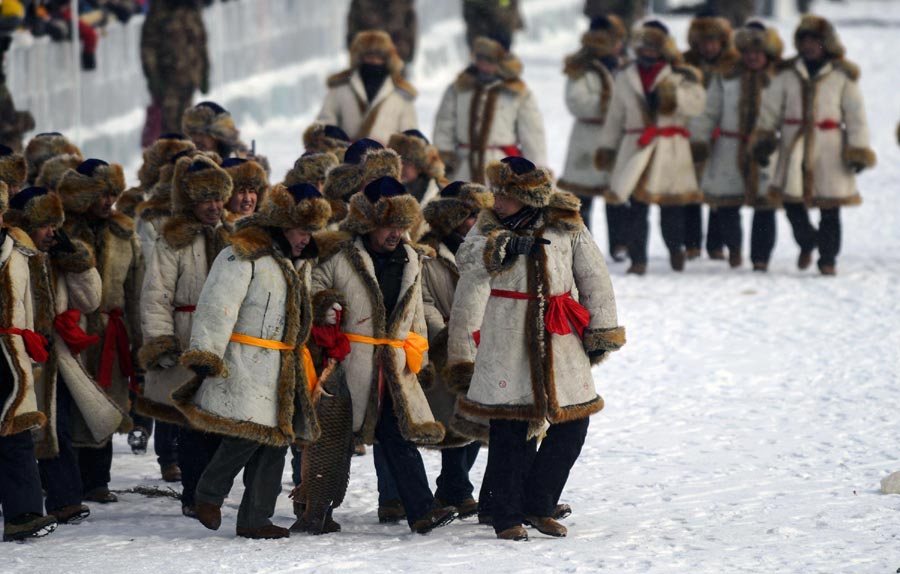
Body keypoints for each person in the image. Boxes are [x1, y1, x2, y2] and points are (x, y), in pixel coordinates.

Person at [445, 157, 625, 541]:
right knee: (510, 429)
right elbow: (466, 259)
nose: (495, 198)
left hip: (561, 336)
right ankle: (506, 516)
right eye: (495, 191)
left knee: (573, 424)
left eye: (503, 193)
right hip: (506, 336)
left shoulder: (565, 222)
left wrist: (600, 331)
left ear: (525, 195)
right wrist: (504, 247)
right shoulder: (490, 224)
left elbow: (593, 276)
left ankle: (539, 503)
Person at [174, 183, 327, 540]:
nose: (306, 239)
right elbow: (217, 303)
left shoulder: (294, 261)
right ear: (282, 223)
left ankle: (255, 518)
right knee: (246, 433)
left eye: (310, 232)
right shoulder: (242, 255)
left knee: (276, 440)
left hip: (282, 364)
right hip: (244, 360)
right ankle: (207, 495)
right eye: (302, 230)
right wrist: (205, 351)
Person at [310, 176, 457, 534]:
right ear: (368, 223)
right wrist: (325, 304)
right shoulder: (340, 253)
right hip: (349, 363)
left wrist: (417, 359)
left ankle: (421, 511)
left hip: (393, 366)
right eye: (389, 225)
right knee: (333, 438)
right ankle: (314, 510)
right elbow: (313, 285)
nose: (396, 233)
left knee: (398, 434)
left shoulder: (410, 257)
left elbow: (415, 317)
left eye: (402, 225)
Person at [5, 186, 123, 526]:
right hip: (19, 354)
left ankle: (66, 499)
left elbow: (90, 301)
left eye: (55, 224)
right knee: (23, 431)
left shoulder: (61, 255)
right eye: (44, 225)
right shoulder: (13, 253)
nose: (51, 233)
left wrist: (77, 262)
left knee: (59, 429)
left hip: (55, 356)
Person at [138, 155, 233, 513]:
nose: (214, 206)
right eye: (206, 199)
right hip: (187, 335)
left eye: (218, 198)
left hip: (225, 339)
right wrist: (162, 340)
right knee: (193, 422)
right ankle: (195, 495)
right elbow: (156, 293)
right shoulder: (173, 240)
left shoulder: (233, 235)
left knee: (221, 419)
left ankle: (213, 491)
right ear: (191, 201)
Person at [752, 15, 875, 276]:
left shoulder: (842, 76)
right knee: (792, 203)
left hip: (829, 148)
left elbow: (855, 116)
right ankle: (808, 241)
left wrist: (858, 150)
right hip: (793, 146)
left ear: (826, 44)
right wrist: (763, 139)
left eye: (814, 41)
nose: (808, 46)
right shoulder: (786, 74)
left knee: (830, 208)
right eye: (804, 40)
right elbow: (770, 110)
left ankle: (828, 259)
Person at [58, 159, 144, 504]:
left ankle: (98, 480)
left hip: (112, 328)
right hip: (72, 329)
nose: (108, 200)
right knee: (75, 402)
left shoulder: (125, 232)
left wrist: (140, 341)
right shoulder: (63, 231)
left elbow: (136, 289)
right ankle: (70, 480)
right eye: (100, 194)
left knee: (108, 401)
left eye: (112, 193)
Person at [595, 20, 706, 275]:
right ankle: (638, 259)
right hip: (636, 146)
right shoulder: (625, 76)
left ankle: (675, 248)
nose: (647, 52)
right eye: (643, 47)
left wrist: (672, 97)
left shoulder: (681, 75)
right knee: (636, 206)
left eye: (653, 48)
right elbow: (615, 116)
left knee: (672, 208)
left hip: (670, 148)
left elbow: (698, 105)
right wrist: (607, 148)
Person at [419, 181, 494, 518]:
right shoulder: (427, 254)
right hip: (443, 348)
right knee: (452, 421)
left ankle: (455, 488)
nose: (475, 221)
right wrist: (447, 331)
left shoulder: (488, 249)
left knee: (479, 419)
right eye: (469, 215)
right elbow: (422, 299)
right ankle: (455, 488)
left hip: (484, 342)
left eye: (479, 214)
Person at [690, 21, 784, 271]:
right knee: (727, 203)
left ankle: (761, 258)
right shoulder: (726, 77)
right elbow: (709, 112)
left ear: (767, 53)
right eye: (749, 51)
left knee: (765, 207)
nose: (753, 57)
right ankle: (734, 249)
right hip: (729, 147)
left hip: (767, 149)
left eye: (758, 51)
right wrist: (699, 139)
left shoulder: (779, 79)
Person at [0, 182, 58, 542]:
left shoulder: (18, 251)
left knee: (16, 432)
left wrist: (31, 338)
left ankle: (23, 515)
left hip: (11, 355)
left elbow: (31, 302)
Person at [433, 34, 546, 184]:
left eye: (489, 60)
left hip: (502, 168)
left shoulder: (517, 92)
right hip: (463, 166)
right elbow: (444, 124)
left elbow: (532, 133)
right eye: (480, 59)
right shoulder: (459, 88)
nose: (483, 65)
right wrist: (443, 157)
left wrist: (536, 169)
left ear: (502, 62)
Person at [557, 15, 628, 253]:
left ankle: (620, 243)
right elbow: (577, 101)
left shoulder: (623, 65)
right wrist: (614, 106)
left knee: (617, 193)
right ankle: (583, 245)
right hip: (588, 139)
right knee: (582, 197)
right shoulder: (581, 68)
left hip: (617, 139)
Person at [683, 10, 741, 260]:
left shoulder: (733, 65)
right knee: (690, 192)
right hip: (690, 134)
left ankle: (716, 244)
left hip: (724, 137)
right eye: (704, 41)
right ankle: (692, 243)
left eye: (713, 41)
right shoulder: (685, 64)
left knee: (719, 192)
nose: (708, 47)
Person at [317, 31, 418, 144]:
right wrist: (333, 139)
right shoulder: (340, 88)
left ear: (387, 60)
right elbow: (325, 123)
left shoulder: (401, 94)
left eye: (379, 57)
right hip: (346, 158)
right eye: (369, 56)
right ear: (360, 58)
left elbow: (409, 135)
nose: (374, 61)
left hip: (388, 159)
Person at [140, 0, 209, 141]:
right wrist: (153, 77)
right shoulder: (160, 10)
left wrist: (204, 72)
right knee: (169, 129)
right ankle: (171, 159)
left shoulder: (192, 8)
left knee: (187, 127)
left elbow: (201, 41)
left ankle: (185, 157)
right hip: (167, 80)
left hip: (190, 78)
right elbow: (148, 46)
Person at [346, 0, 416, 67]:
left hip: (396, 56)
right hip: (367, 60)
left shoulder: (404, 3)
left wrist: (406, 52)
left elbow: (410, 24)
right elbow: (353, 28)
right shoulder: (360, 3)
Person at [221, 157, 267, 222]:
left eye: (251, 191)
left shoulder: (266, 228)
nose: (247, 199)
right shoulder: (215, 229)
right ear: (227, 196)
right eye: (241, 191)